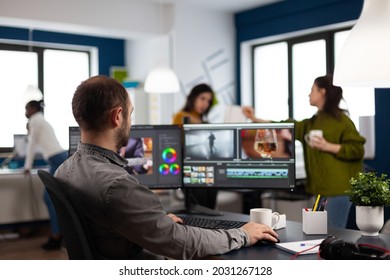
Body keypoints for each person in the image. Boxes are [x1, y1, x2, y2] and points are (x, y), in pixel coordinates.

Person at [54, 75, 278, 260]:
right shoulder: (117, 185)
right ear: (117, 116)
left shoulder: (64, 170)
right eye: (130, 114)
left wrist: (153, 223)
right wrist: (242, 234)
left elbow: (105, 228)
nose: (131, 122)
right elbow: (182, 244)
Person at [242, 74, 366, 229]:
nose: (309, 94)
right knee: (321, 232)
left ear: (322, 92)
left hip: (339, 191)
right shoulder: (312, 123)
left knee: (333, 231)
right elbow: (284, 126)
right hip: (322, 190)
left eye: (312, 90)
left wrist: (328, 146)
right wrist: (254, 118)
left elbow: (357, 150)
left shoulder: (343, 121)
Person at [24, 100, 68, 250]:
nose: (25, 112)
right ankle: (57, 235)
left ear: (33, 109)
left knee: (49, 199)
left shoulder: (35, 120)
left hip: (57, 159)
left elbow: (31, 145)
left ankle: (57, 236)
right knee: (52, 199)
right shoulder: (40, 120)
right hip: (57, 158)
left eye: (26, 109)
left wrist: (27, 166)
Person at [172, 83, 218, 209]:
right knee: (200, 206)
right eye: (202, 99)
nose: (205, 104)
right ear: (193, 98)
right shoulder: (181, 116)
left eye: (208, 101)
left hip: (207, 168)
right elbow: (179, 144)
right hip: (190, 170)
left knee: (209, 206)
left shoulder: (204, 121)